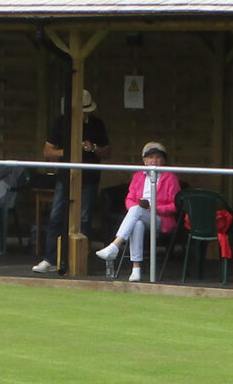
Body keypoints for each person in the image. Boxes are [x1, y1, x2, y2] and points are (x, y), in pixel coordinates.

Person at [32, 89, 108, 274]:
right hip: (65, 177)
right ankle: (50, 259)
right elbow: (47, 151)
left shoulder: (97, 124)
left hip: (89, 177)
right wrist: (69, 151)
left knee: (84, 219)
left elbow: (107, 151)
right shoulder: (61, 123)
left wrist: (93, 148)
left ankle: (81, 260)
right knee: (56, 216)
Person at [94, 142, 178, 282]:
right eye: (150, 157)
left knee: (136, 210)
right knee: (137, 222)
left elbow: (175, 205)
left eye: (157, 157)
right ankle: (136, 269)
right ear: (144, 161)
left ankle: (115, 245)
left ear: (163, 161)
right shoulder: (138, 176)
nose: (154, 161)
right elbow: (129, 199)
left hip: (160, 219)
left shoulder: (170, 178)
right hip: (141, 215)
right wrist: (140, 208)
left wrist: (155, 208)